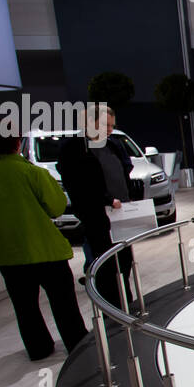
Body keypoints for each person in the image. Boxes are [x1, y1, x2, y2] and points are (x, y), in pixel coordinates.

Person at [0, 123, 88, 361]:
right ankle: (77, 344)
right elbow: (56, 207)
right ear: (18, 141)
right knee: (64, 304)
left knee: (25, 307)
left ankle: (38, 348)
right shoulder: (34, 173)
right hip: (45, 250)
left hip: (9, 255)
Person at [57, 105, 135, 308]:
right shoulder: (73, 148)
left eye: (112, 125)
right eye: (106, 125)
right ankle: (110, 307)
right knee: (104, 263)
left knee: (124, 261)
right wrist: (107, 199)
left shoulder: (113, 144)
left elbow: (125, 168)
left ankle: (127, 303)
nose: (110, 129)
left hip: (121, 213)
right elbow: (78, 183)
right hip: (96, 216)